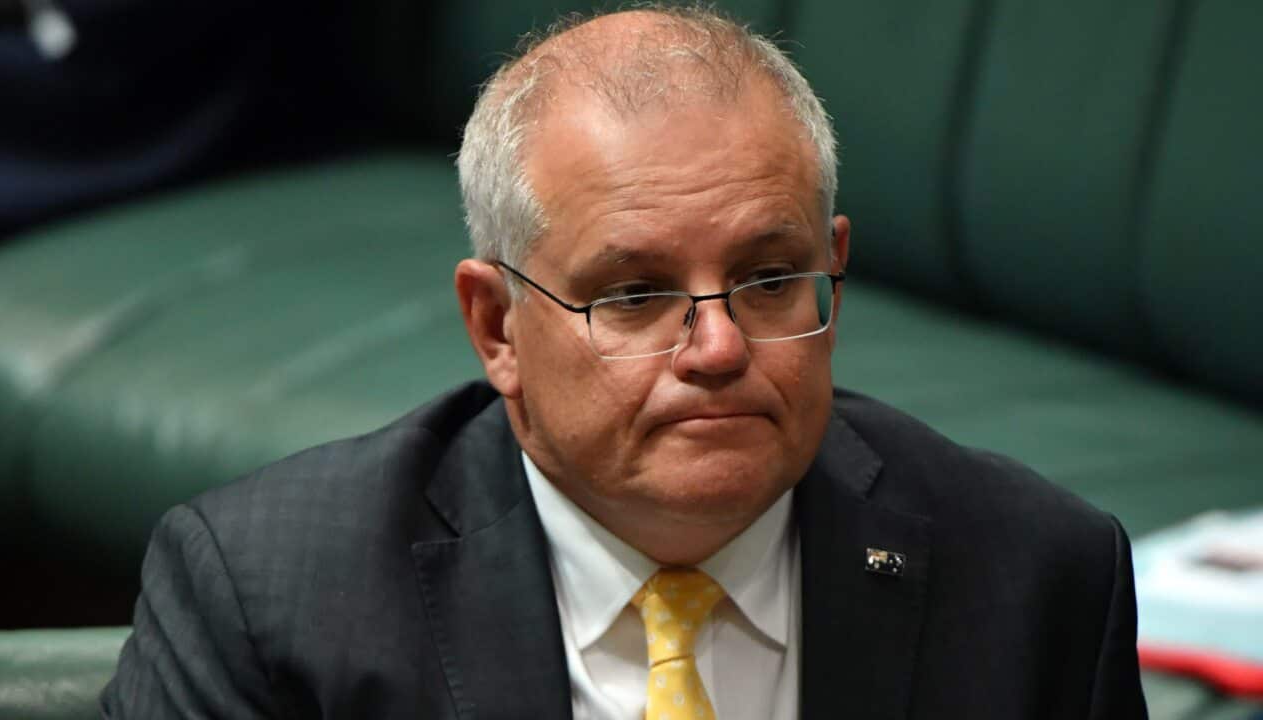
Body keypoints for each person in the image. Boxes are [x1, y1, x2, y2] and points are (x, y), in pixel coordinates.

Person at [101, 6, 1147, 719]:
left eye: (768, 278)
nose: (720, 346)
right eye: (635, 296)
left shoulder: (1034, 575)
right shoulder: (268, 592)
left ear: (831, 271)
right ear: (497, 328)